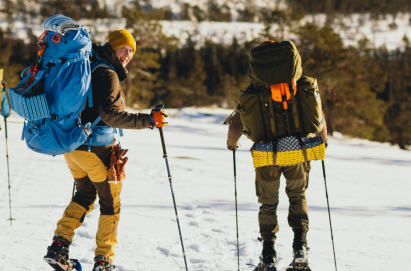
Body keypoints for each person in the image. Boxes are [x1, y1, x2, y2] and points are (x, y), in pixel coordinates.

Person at [44, 29, 163, 271]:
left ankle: (58, 247)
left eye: (131, 51)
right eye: (123, 49)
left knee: (84, 196)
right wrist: (148, 120)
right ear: (112, 46)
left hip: (72, 146)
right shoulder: (108, 74)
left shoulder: (86, 65)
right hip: (96, 148)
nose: (127, 55)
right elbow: (111, 115)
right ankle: (103, 261)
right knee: (110, 205)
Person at [226, 41, 327, 271]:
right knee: (298, 197)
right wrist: (323, 142)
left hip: (267, 157)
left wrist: (232, 145)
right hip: (298, 152)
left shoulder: (254, 91)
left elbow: (236, 125)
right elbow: (318, 117)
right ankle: (300, 248)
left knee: (268, 204)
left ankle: (268, 256)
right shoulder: (300, 86)